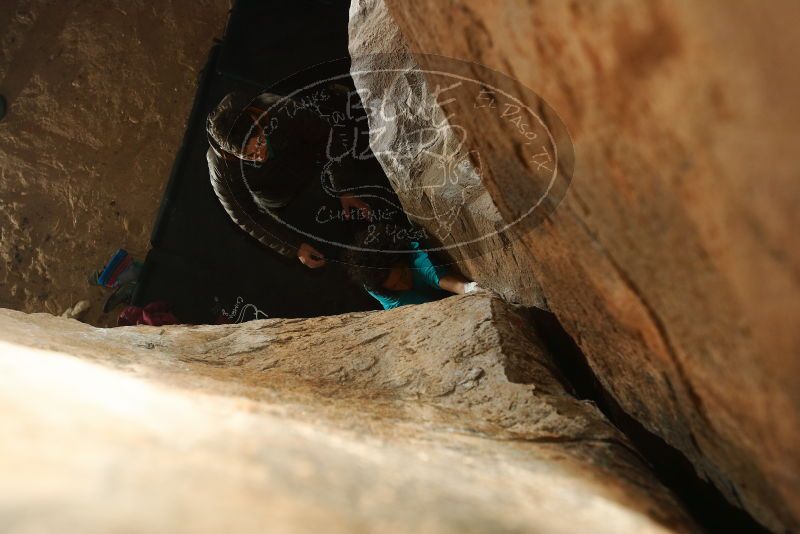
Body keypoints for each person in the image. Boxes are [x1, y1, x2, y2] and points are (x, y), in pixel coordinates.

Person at [206, 90, 372, 268]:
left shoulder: (279, 109)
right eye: (249, 156)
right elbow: (245, 216)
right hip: (286, 206)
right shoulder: (221, 169)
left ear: (258, 123)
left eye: (260, 142)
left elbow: (326, 135)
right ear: (231, 153)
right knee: (338, 251)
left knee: (366, 212)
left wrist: (344, 187)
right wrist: (294, 246)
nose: (260, 156)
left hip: (317, 168)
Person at [344, 226, 478, 310]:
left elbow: (457, 285)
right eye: (395, 285)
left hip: (437, 290)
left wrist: (471, 289)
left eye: (403, 275)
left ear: (404, 259)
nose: (404, 285)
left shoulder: (418, 261)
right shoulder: (377, 288)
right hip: (412, 304)